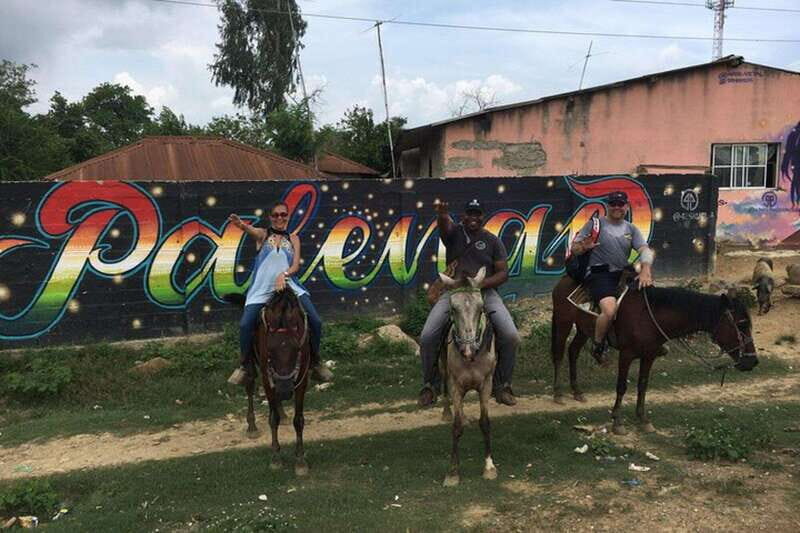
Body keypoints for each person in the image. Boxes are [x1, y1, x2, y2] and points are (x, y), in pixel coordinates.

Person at [418, 198, 521, 407]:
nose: (473, 218)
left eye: (477, 214)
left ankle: (502, 385)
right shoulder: (454, 234)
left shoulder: (492, 241)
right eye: (469, 214)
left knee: (511, 336)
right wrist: (441, 214)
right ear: (463, 216)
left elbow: (503, 273)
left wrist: (480, 285)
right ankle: (431, 385)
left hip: (484, 293)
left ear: (482, 217)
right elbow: (444, 226)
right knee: (428, 336)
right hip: (454, 291)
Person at [227, 202, 333, 385]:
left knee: (316, 320)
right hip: (261, 290)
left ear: (288, 216)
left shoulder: (294, 238)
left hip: (289, 285)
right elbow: (250, 231)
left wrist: (283, 275)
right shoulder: (263, 235)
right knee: (245, 325)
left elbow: (295, 266)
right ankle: (245, 366)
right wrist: (241, 225)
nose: (279, 218)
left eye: (283, 215)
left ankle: (315, 362)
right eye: (275, 215)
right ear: (270, 217)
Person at [570, 190, 654, 364]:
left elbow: (645, 250)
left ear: (626, 206)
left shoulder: (631, 228)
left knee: (650, 299)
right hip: (599, 274)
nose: (617, 207)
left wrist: (646, 269)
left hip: (622, 273)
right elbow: (574, 249)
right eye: (613, 204)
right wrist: (584, 247)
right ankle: (599, 345)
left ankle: (651, 340)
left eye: (620, 204)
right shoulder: (595, 224)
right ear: (607, 206)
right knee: (609, 310)